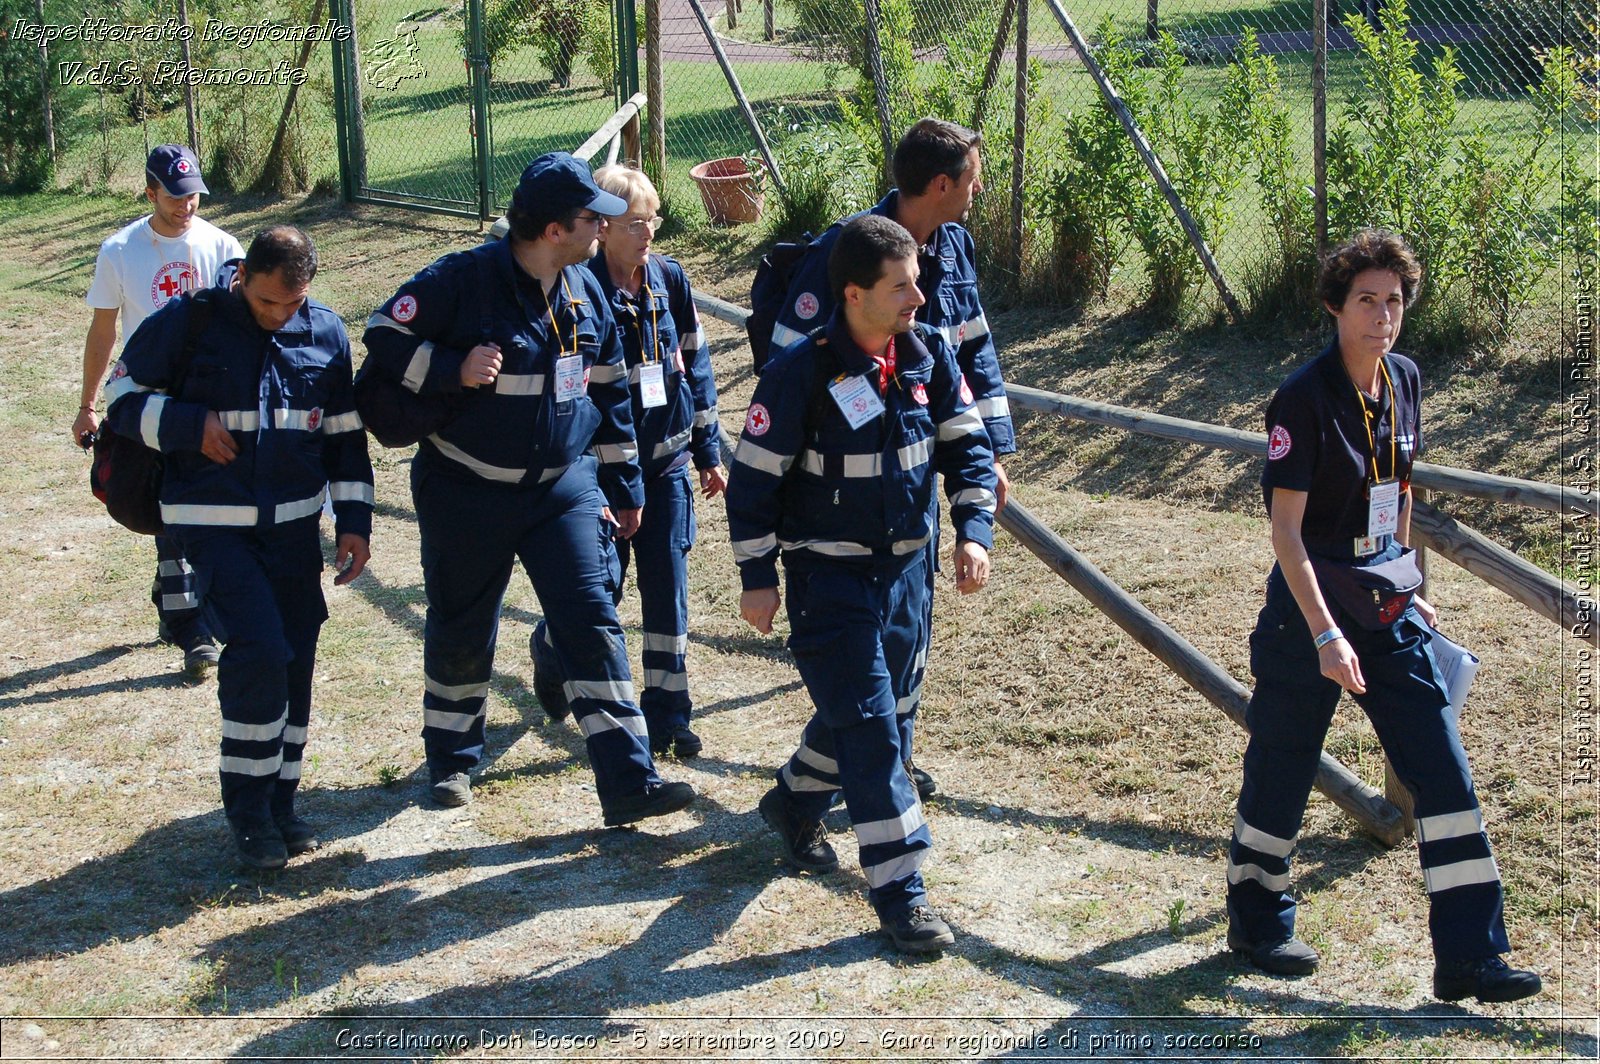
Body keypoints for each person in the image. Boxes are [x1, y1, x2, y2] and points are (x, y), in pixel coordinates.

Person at [1225, 228, 1540, 1003]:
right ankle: (1258, 919)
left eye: (1394, 301)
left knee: (1442, 765)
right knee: (1283, 763)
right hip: (1312, 611)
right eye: (1366, 300)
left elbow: (1398, 491)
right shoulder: (1302, 398)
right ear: (1336, 307)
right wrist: (1326, 634)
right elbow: (1286, 535)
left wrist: (1406, 578)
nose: (1382, 315)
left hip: (1384, 603)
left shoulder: (1404, 378)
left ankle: (1470, 955)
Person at [361, 152, 695, 826]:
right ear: (553, 229)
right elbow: (382, 334)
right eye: (591, 220)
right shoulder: (464, 279)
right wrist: (451, 367)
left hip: (561, 488)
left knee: (592, 616)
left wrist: (625, 483)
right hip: (467, 487)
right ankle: (452, 758)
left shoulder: (584, 287)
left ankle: (630, 781)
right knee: (462, 624)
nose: (603, 230)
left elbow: (609, 390)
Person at [727, 215, 998, 953]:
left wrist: (974, 533)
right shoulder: (798, 375)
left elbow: (969, 453)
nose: (919, 295)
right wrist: (757, 578)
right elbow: (752, 485)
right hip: (830, 579)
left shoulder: (929, 354)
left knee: (877, 711)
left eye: (918, 279)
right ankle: (901, 893)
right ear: (853, 294)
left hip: (910, 574)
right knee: (877, 733)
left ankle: (793, 803)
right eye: (901, 285)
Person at [104, 225, 373, 870]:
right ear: (243, 276)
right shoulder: (189, 322)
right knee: (257, 646)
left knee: (297, 653)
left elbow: (343, 436)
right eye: (266, 303)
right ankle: (247, 814)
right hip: (208, 520)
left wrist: (355, 522)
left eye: (292, 304)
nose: (279, 316)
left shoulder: (327, 333)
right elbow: (118, 398)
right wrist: (185, 425)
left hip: (292, 529)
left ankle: (282, 802)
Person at [766, 117, 1014, 799]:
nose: (978, 190)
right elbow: (787, 356)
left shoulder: (955, 248)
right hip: (841, 493)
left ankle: (891, 760)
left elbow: (974, 351)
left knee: (910, 631)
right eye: (973, 177)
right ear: (942, 184)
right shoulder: (851, 250)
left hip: (918, 459)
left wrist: (987, 448)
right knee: (865, 658)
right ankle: (867, 775)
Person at [529, 163, 726, 759]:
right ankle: (554, 647)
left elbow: (697, 366)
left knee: (668, 594)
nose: (647, 235)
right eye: (635, 223)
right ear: (605, 227)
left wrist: (708, 450)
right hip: (600, 471)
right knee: (602, 589)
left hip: (665, 466)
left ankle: (669, 715)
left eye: (652, 221)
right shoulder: (575, 288)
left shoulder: (670, 280)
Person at [78, 144, 245, 678]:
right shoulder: (121, 251)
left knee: (202, 500)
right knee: (168, 497)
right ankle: (189, 625)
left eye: (193, 194)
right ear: (150, 192)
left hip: (208, 394)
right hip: (148, 392)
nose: (186, 205)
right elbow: (104, 329)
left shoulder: (222, 246)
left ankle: (179, 606)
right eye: (174, 196)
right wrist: (87, 404)